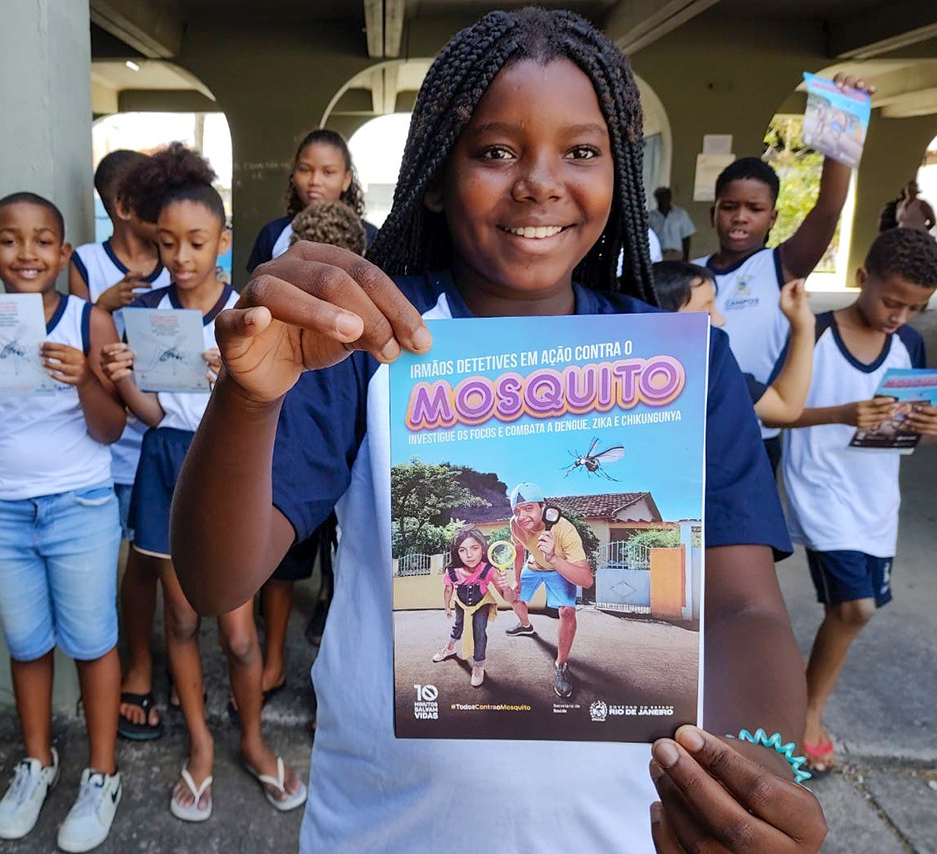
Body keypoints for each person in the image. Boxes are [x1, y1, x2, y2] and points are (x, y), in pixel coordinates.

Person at [171, 9, 828, 853]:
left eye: (581, 152)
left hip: (626, 833)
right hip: (386, 829)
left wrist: (754, 772)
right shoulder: (363, 344)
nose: (540, 182)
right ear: (437, 177)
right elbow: (215, 576)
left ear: (617, 170)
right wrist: (249, 401)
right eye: (495, 150)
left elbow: (742, 609)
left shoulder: (687, 366)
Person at [99, 143, 307, 822]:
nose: (181, 257)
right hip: (164, 460)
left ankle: (251, 739)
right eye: (167, 243)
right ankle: (200, 748)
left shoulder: (250, 308)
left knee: (239, 634)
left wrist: (236, 385)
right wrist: (122, 374)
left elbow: (280, 396)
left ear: (222, 240)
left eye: (195, 242)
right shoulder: (148, 312)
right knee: (181, 620)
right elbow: (155, 414)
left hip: (227, 461)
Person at [0, 192, 127, 852]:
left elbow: (110, 430)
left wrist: (84, 378)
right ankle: (37, 762)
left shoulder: (91, 322)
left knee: (92, 640)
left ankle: (102, 772)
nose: (28, 253)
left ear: (64, 253)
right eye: (11, 240)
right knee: (27, 642)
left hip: (78, 504)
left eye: (43, 240)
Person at [781, 227, 937, 776]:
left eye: (915, 307)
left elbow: (903, 427)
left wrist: (924, 425)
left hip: (876, 499)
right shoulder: (814, 334)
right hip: (820, 490)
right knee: (854, 608)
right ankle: (805, 716)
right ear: (862, 278)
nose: (899, 316)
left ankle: (801, 704)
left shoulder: (910, 345)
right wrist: (840, 413)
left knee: (851, 610)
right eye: (892, 300)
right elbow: (776, 409)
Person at [692, 83, 871, 468]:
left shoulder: (780, 266)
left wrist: (845, 116)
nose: (740, 216)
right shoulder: (692, 275)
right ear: (714, 214)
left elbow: (828, 208)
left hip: (755, 436)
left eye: (754, 208)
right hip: (694, 432)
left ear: (772, 218)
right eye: (729, 206)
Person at [69, 149, 174, 742]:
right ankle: (126, 664)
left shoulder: (175, 260)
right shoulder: (87, 262)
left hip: (159, 432)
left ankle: (151, 661)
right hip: (108, 436)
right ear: (122, 206)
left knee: (152, 559)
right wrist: (100, 309)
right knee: (109, 560)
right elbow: (72, 331)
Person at [256, 200, 365, 705]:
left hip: (336, 481)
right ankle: (275, 660)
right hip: (291, 469)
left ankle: (314, 681)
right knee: (283, 569)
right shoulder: (274, 324)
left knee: (337, 575)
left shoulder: (369, 342)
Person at [653, 261, 815, 427]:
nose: (721, 320)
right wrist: (803, 328)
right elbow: (786, 407)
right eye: (707, 312)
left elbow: (784, 408)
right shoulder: (707, 372)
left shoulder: (713, 371)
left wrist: (803, 327)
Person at [499, 483, 591, 699]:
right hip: (533, 567)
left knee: (567, 611)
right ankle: (526, 626)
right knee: (515, 598)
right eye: (517, 510)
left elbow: (586, 580)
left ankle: (561, 664)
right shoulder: (515, 524)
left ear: (544, 507)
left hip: (558, 567)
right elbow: (520, 549)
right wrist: (517, 578)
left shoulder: (564, 529)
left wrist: (552, 557)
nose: (522, 516)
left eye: (529, 508)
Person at [246, 129, 377, 270]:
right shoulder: (273, 234)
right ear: (293, 174)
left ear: (346, 179)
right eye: (305, 169)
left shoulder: (369, 237)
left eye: (328, 172)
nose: (315, 181)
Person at [432, 525, 512, 687]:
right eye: (462, 550)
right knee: (458, 625)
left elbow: (509, 598)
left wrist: (506, 587)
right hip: (461, 603)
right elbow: (448, 590)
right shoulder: (452, 572)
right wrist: (447, 607)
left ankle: (478, 665)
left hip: (482, 602)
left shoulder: (489, 570)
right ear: (457, 552)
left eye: (474, 548)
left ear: (483, 549)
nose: (469, 555)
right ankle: (450, 648)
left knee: (479, 630)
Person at [648, 186, 695, 259]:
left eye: (665, 197)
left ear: (669, 198)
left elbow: (686, 237)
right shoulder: (651, 216)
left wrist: (686, 257)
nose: (663, 200)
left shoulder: (680, 214)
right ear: (656, 199)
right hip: (658, 254)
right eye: (660, 197)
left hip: (675, 254)